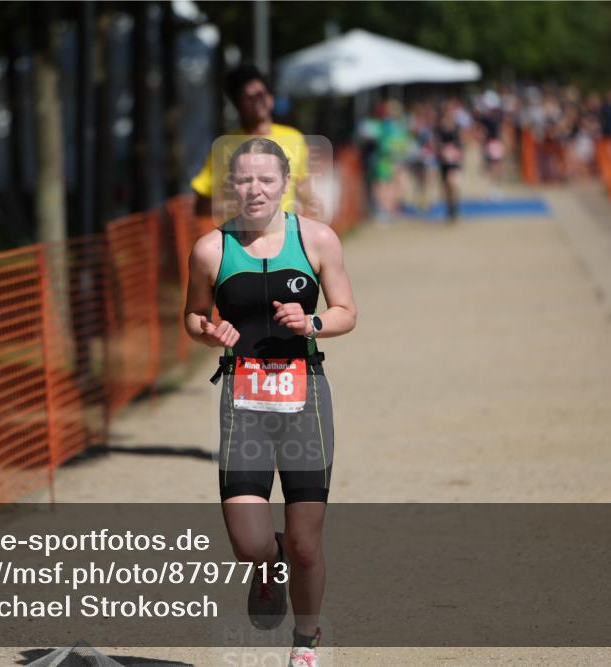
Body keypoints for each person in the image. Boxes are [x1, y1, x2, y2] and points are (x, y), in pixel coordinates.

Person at [183, 137, 357, 667]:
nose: (254, 189)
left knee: (307, 545)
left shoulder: (318, 240)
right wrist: (208, 333)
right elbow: (192, 316)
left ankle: (305, 644)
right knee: (248, 542)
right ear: (230, 186)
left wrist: (315, 323)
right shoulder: (211, 249)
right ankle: (267, 562)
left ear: (285, 183)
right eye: (243, 180)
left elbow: (347, 309)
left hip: (305, 399)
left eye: (266, 179)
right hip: (244, 402)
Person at [191, 64, 313, 220]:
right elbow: (201, 206)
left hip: (285, 238)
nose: (257, 102)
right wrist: (244, 204)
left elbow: (305, 193)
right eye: (249, 97)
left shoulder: (294, 138)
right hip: (240, 240)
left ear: (271, 98)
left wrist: (312, 232)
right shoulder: (224, 147)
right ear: (237, 104)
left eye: (261, 94)